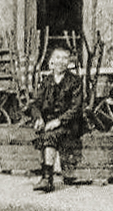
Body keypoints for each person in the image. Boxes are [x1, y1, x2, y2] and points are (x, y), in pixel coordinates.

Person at [30, 45, 84, 192]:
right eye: (58, 58)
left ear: (69, 62)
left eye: (65, 58)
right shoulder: (46, 81)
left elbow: (76, 108)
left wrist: (58, 121)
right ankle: (45, 174)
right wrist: (39, 118)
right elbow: (35, 103)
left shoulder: (75, 81)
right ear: (52, 61)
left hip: (69, 124)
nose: (61, 61)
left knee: (51, 135)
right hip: (49, 122)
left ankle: (47, 179)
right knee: (42, 132)